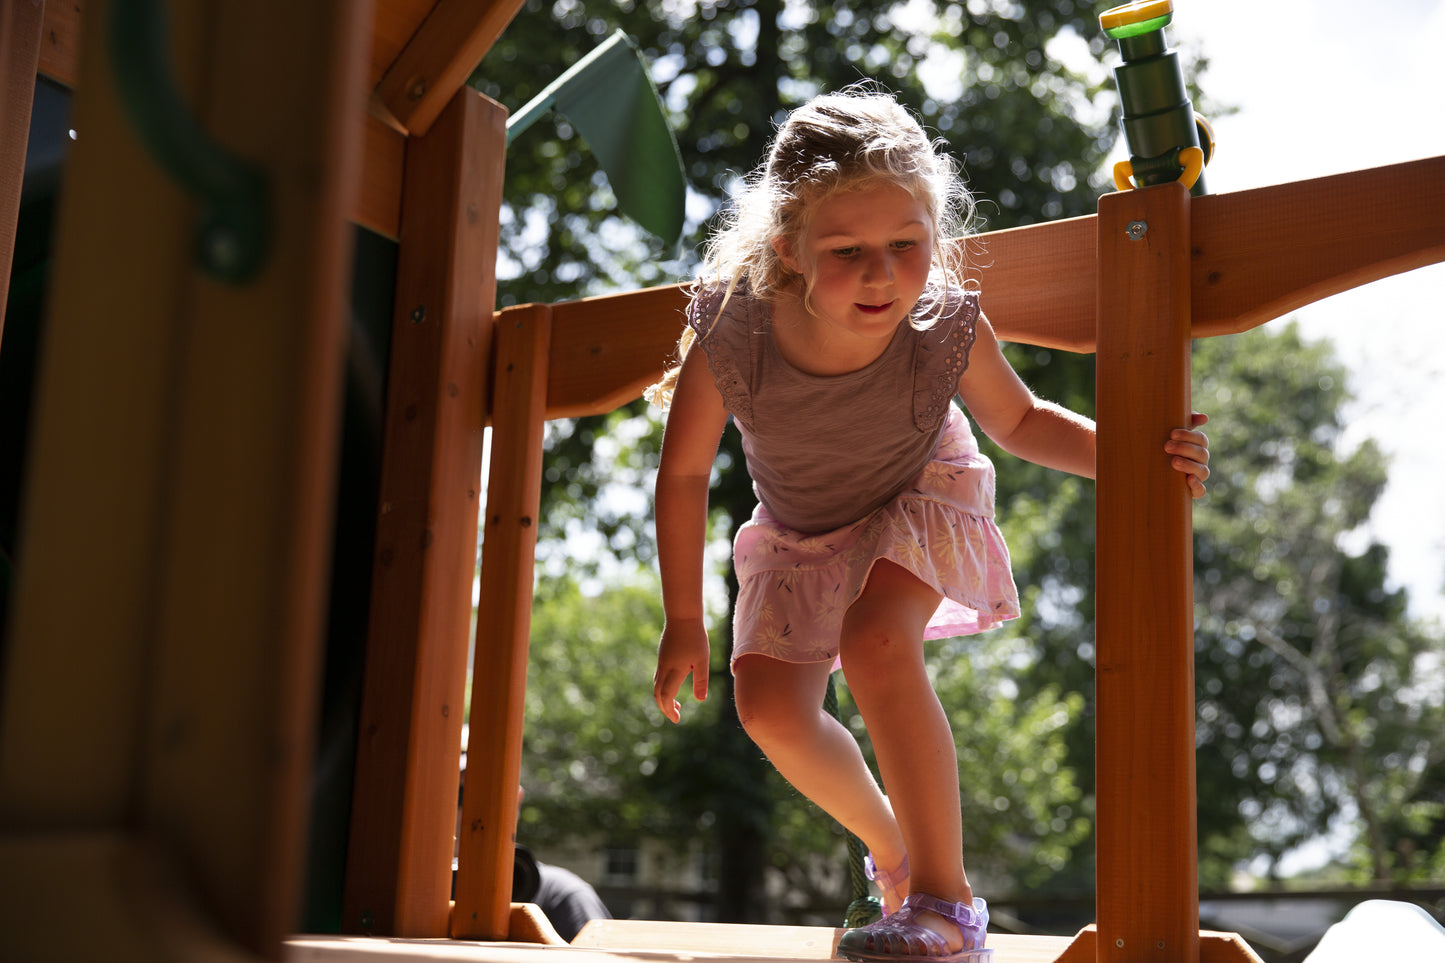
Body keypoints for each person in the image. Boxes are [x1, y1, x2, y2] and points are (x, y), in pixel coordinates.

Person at [647, 87, 1210, 963]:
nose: (881, 274)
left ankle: (948, 906)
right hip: (798, 528)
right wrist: (684, 614)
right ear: (786, 248)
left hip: (918, 489)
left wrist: (1136, 455)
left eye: (905, 245)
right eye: (848, 251)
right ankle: (894, 852)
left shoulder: (939, 322)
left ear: (934, 236)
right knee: (767, 706)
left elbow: (1018, 421)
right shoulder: (734, 324)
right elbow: (682, 472)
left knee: (877, 641)